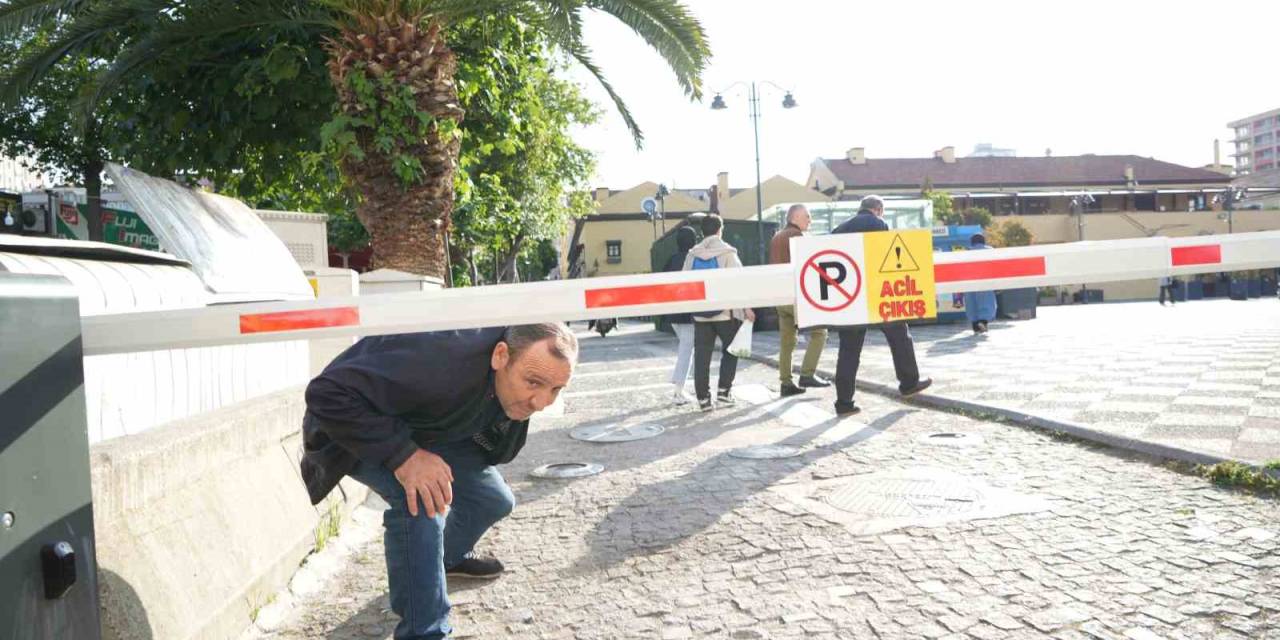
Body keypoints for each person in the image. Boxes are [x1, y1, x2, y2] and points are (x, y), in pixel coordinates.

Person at [300, 324, 578, 640]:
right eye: (533, 382)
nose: (542, 403)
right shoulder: (439, 362)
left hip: (429, 429)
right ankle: (424, 632)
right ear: (501, 356)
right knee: (421, 498)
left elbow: (499, 451)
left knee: (493, 500)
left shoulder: (518, 378)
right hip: (355, 427)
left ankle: (446, 559)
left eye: (556, 389)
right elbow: (324, 393)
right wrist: (405, 457)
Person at [829, 196, 933, 417]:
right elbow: (885, 258)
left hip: (850, 296)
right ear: (878, 210)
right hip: (876, 294)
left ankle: (844, 402)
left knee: (848, 350)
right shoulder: (876, 224)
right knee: (899, 336)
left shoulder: (838, 229)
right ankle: (908, 383)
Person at [683, 214, 755, 411]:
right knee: (731, 351)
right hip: (725, 313)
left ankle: (704, 400)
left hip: (700, 314)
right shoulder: (727, 253)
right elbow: (739, 281)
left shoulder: (692, 255)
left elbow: (684, 283)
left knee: (702, 356)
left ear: (702, 231)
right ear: (719, 230)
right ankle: (724, 392)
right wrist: (747, 308)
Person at [769, 204, 831, 397]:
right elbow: (809, 267)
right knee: (820, 332)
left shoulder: (777, 237)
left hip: (781, 296)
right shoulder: (799, 238)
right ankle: (807, 374)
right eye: (807, 216)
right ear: (794, 217)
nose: (810, 220)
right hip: (797, 296)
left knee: (786, 342)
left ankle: (786, 383)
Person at [663, 226, 699, 403]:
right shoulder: (693, 259)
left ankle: (679, 385)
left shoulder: (671, 260)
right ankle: (678, 390)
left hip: (673, 313)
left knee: (686, 348)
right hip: (688, 313)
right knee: (686, 350)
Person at [962, 233, 998, 334]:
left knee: (971, 302)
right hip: (986, 280)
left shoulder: (967, 252)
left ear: (972, 242)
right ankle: (983, 321)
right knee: (986, 302)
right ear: (983, 241)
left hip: (970, 281)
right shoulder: (990, 251)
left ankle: (975, 326)